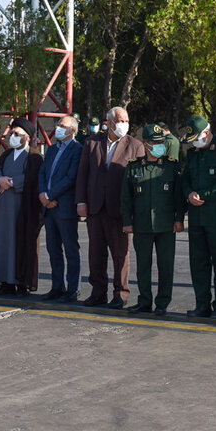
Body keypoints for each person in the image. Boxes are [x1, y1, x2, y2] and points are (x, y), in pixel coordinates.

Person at [75, 106, 144, 308]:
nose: (124, 124)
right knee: (96, 253)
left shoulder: (135, 145)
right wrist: (81, 201)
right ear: (109, 122)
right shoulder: (92, 143)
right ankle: (98, 293)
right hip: (95, 208)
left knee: (120, 255)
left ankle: (120, 294)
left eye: (126, 120)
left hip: (120, 210)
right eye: (120, 120)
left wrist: (132, 211)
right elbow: (82, 175)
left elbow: (138, 182)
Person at [122, 123, 184, 316]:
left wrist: (179, 218)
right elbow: (126, 197)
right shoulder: (133, 167)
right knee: (143, 266)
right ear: (146, 144)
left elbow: (178, 196)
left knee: (166, 266)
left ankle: (163, 302)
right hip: (142, 225)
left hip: (166, 225)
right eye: (155, 142)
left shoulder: (171, 166)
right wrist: (127, 221)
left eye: (161, 142)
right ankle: (144, 301)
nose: (159, 146)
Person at [179, 115, 216, 318]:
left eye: (196, 137)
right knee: (198, 263)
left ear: (206, 133)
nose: (194, 142)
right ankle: (201, 304)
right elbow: (184, 178)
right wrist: (188, 194)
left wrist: (203, 195)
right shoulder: (194, 152)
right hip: (196, 217)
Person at [0, 117, 43, 296]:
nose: (13, 136)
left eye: (17, 134)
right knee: (3, 243)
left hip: (22, 210)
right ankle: (5, 282)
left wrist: (11, 182)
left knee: (21, 245)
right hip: (3, 209)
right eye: (12, 133)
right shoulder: (6, 154)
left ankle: (21, 283)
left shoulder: (34, 156)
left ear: (27, 137)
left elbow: (33, 179)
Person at [38, 114, 81, 302]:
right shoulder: (51, 149)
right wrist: (43, 195)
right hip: (49, 208)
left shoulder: (77, 149)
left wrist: (50, 195)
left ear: (72, 130)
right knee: (53, 249)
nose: (58, 128)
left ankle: (73, 290)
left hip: (64, 207)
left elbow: (71, 178)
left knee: (71, 250)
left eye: (62, 125)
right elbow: (43, 173)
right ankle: (57, 287)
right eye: (58, 124)